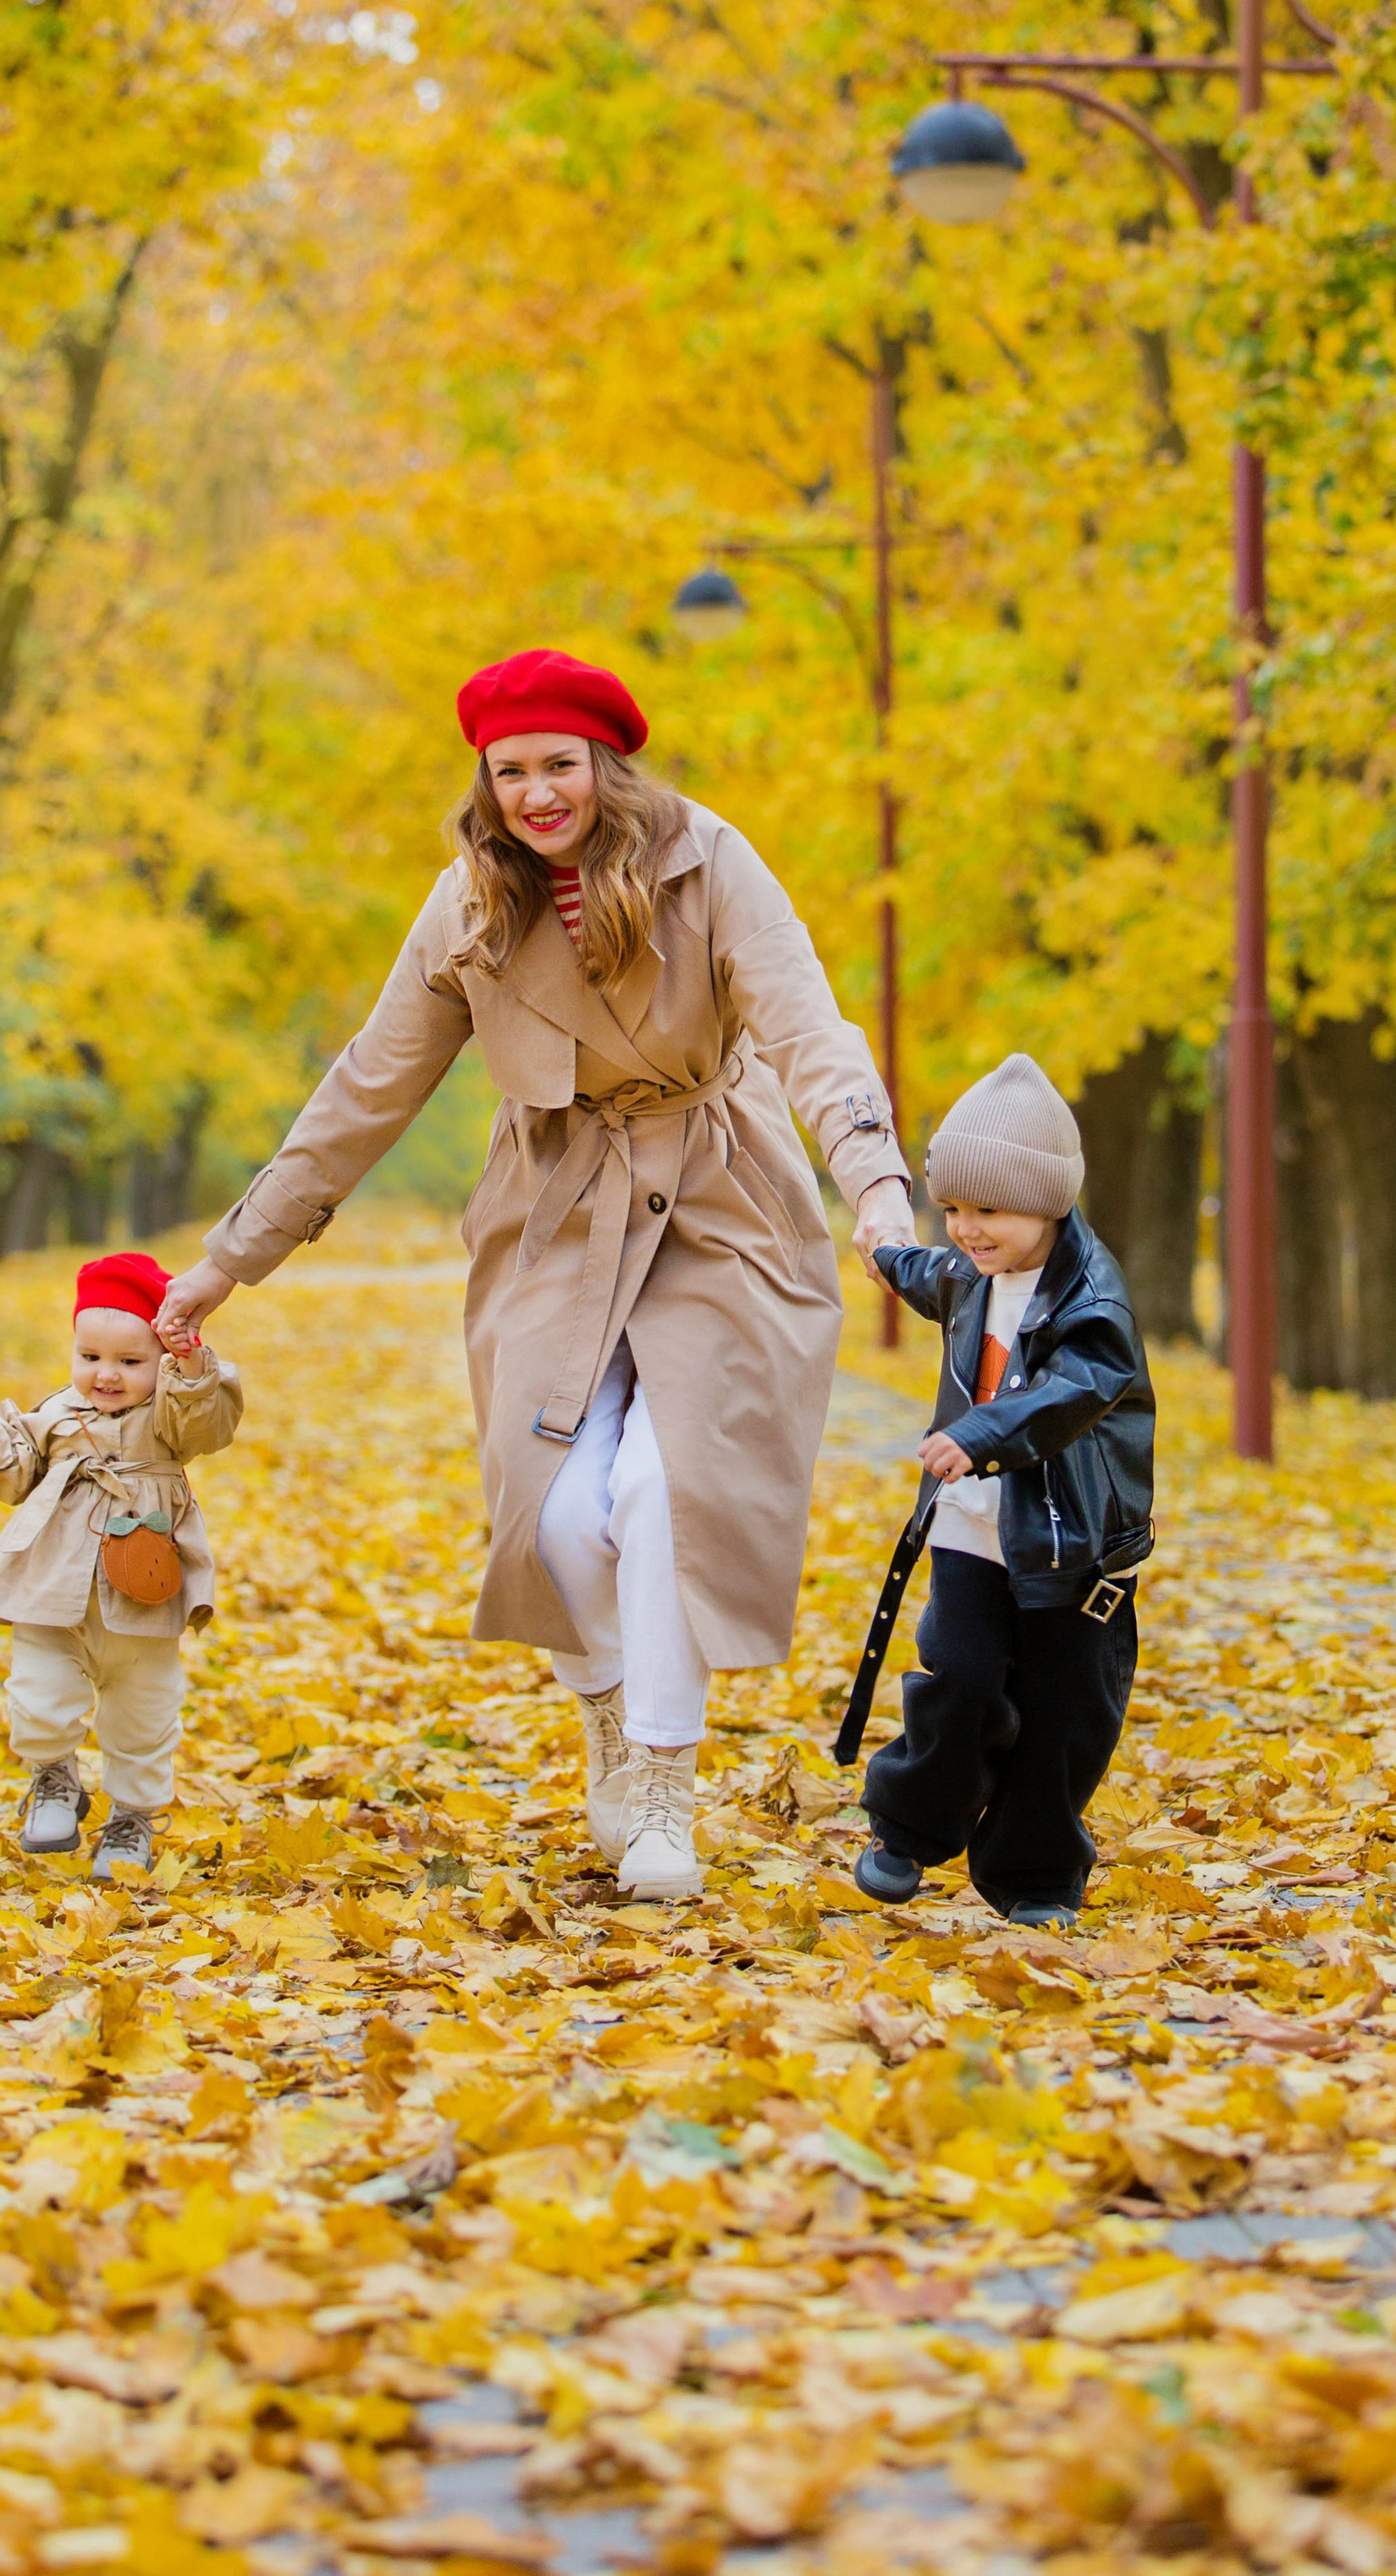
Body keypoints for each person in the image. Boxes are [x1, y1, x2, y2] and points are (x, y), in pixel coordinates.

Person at [156, 648, 914, 1904]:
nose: (537, 794)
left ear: (606, 765)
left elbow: (806, 1028)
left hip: (718, 1197)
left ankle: (664, 1778)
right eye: (509, 772)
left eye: (560, 764)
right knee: (552, 1508)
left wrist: (876, 1188)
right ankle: (608, 1707)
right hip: (557, 1208)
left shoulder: (707, 861)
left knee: (669, 1487)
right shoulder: (469, 904)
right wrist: (230, 1260)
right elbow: (368, 1086)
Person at [836, 1054, 1154, 1927]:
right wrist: (887, 1253)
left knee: (1063, 1712)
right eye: (953, 1209)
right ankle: (907, 1829)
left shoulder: (1092, 1302)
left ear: (1047, 1201)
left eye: (988, 1211)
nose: (967, 1231)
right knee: (961, 1676)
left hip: (1069, 1541)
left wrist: (978, 1435)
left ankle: (1036, 1875)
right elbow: (930, 1273)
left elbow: (1077, 1388)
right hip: (972, 1528)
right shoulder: (971, 1273)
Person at [0, 1250, 243, 1882]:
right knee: (37, 1694)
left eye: (129, 1362)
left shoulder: (168, 1414)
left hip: (143, 1591)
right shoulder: (56, 1414)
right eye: (90, 1357)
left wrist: (191, 1366)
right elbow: (15, 1474)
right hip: (51, 1589)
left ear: (161, 1360)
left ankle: (132, 1818)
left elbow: (207, 1422)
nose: (106, 1375)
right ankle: (53, 1776)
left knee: (143, 1712)